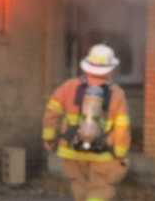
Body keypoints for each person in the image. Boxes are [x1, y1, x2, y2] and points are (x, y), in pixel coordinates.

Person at [42, 44, 131, 201]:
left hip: (71, 150)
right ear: (110, 69)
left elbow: (51, 113)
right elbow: (122, 127)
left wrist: (49, 138)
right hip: (102, 153)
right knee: (101, 188)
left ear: (87, 66)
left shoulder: (68, 87)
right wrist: (120, 153)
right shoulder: (117, 93)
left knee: (79, 186)